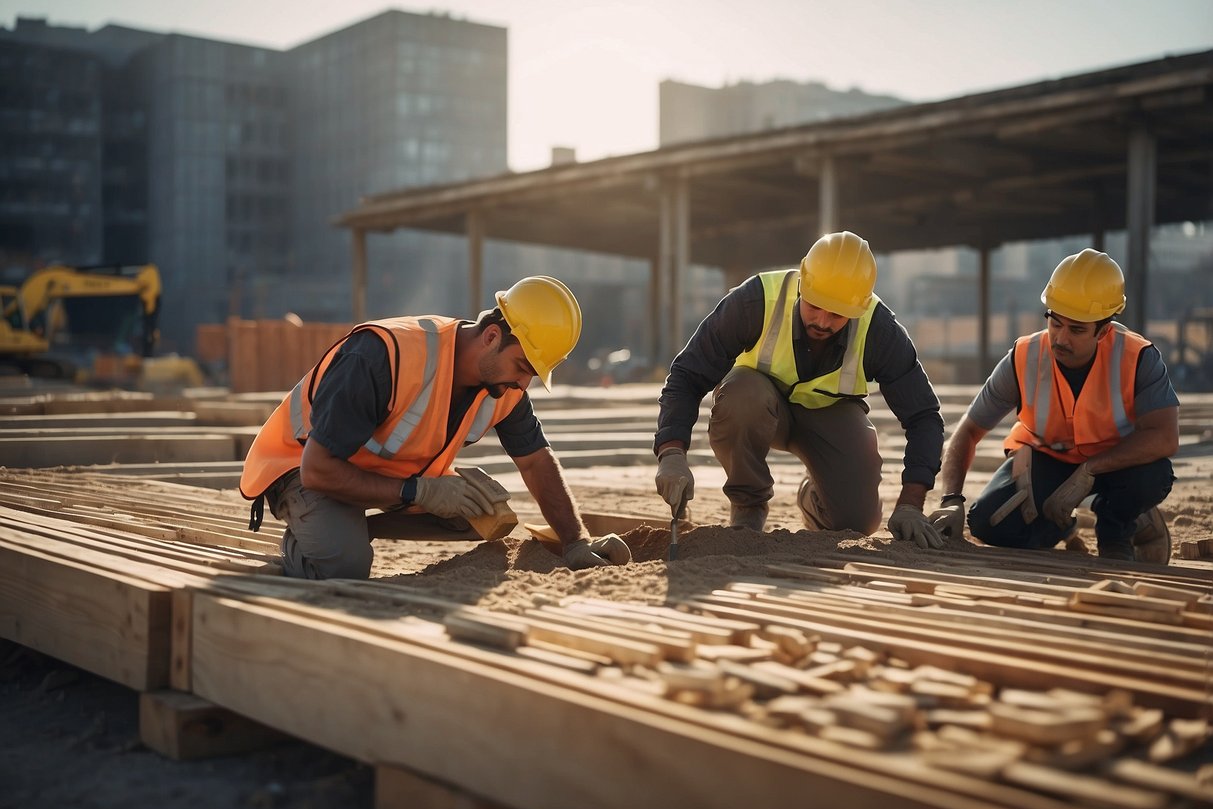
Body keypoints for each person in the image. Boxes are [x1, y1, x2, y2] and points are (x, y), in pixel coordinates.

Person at [239, 276, 631, 579]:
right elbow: (318, 469)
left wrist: (576, 542)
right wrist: (420, 490)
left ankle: (357, 527)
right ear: (492, 336)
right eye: (523, 368)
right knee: (344, 565)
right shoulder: (383, 354)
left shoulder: (504, 385)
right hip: (302, 471)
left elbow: (536, 462)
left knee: (484, 510)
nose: (523, 384)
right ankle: (312, 542)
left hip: (381, 476)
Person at [653, 230, 947, 549]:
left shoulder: (880, 331)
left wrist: (911, 504)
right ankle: (748, 505)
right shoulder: (756, 301)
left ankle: (814, 496)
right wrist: (672, 452)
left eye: (837, 314)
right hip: (756, 406)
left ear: (859, 308)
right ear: (802, 285)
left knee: (856, 522)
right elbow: (687, 375)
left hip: (830, 415)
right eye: (815, 306)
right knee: (741, 396)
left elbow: (924, 418)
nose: (822, 320)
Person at [926, 249, 1178, 562]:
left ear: (1104, 330)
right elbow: (968, 431)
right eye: (1055, 323)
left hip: (1117, 465)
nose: (1060, 339)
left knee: (1153, 476)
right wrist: (951, 499)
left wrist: (1090, 469)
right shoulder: (1023, 357)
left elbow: (1165, 437)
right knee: (988, 523)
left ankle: (1120, 528)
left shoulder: (1139, 358)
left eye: (1076, 330)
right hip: (1048, 460)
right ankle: (1061, 526)